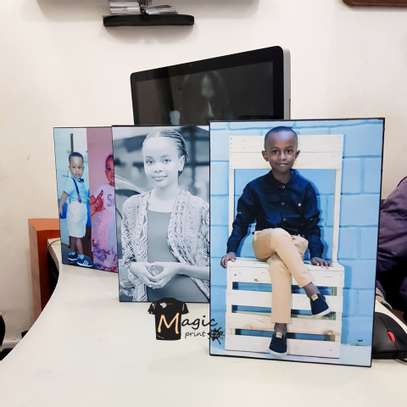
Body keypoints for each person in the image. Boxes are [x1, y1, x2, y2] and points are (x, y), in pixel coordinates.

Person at [220, 126, 330, 355]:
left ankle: (279, 333)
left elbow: (312, 225)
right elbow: (241, 222)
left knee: (280, 265)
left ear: (296, 154)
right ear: (265, 155)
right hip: (265, 242)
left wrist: (316, 253)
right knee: (279, 234)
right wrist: (231, 249)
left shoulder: (305, 188)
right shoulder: (255, 188)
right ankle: (312, 291)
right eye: (275, 151)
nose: (282, 157)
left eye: (288, 151)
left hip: (294, 245)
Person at [121, 129, 209, 302]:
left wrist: (178, 268)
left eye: (166, 160)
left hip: (194, 306)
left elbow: (219, 269)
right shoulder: (131, 207)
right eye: (150, 161)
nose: (157, 168)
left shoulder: (200, 209)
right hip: (147, 307)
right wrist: (135, 267)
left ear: (180, 163)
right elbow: (128, 261)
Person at [59, 152, 93, 268]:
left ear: (83, 168)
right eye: (74, 167)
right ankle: (81, 257)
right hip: (75, 210)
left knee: (74, 233)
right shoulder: (70, 181)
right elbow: (64, 195)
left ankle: (72, 253)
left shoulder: (81, 181)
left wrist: (88, 199)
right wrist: (61, 206)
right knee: (78, 235)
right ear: (69, 168)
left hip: (80, 210)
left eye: (79, 167)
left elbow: (83, 195)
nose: (76, 170)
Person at [90, 154, 117, 272]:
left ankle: (113, 263)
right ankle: (104, 262)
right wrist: (95, 203)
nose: (112, 172)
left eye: (115, 169)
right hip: (106, 223)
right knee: (105, 241)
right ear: (106, 173)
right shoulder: (103, 188)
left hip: (116, 223)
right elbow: (93, 200)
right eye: (109, 169)